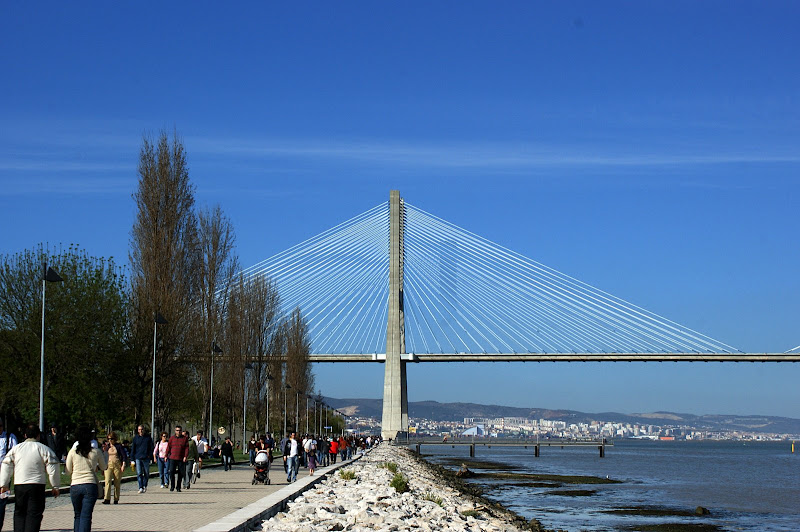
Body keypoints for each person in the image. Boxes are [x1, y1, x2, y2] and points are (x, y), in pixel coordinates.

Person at [0, 423, 61, 532]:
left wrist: (4, 484)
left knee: (19, 513)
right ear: (38, 435)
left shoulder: (16, 449)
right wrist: (55, 486)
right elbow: (53, 467)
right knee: (34, 514)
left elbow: (6, 465)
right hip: (37, 485)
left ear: (25, 435)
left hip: (19, 485)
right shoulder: (44, 449)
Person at [66, 427, 107, 532]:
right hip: (90, 484)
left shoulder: (72, 452)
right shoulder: (96, 452)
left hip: (75, 485)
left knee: (77, 515)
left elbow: (68, 470)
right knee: (86, 516)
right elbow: (104, 467)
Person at [0, 420, 18, 530]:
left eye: (0, 426)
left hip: (5, 475)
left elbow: (16, 454)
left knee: (2, 501)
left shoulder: (10, 437)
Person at [101, 431, 127, 504]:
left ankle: (116, 498)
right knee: (107, 481)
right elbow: (103, 457)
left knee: (117, 482)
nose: (110, 440)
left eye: (111, 439)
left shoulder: (118, 446)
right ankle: (107, 498)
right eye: (108, 439)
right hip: (108, 465)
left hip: (117, 465)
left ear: (114, 439)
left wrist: (123, 465)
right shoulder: (107, 447)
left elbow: (124, 456)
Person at [129, 425, 154, 494]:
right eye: (139, 429)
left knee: (146, 473)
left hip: (146, 458)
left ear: (144, 430)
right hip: (138, 458)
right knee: (139, 473)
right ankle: (140, 487)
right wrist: (132, 459)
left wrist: (150, 456)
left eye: (142, 429)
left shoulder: (148, 438)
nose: (141, 431)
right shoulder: (135, 438)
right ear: (138, 430)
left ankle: (145, 485)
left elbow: (151, 447)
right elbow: (133, 449)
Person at [165, 426, 188, 491]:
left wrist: (185, 456)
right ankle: (172, 486)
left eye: (180, 430)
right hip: (172, 458)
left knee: (180, 473)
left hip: (181, 458)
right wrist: (166, 455)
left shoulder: (184, 439)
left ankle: (178, 487)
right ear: (175, 431)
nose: (178, 432)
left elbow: (186, 448)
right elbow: (168, 447)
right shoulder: (172, 438)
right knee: (171, 472)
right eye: (177, 430)